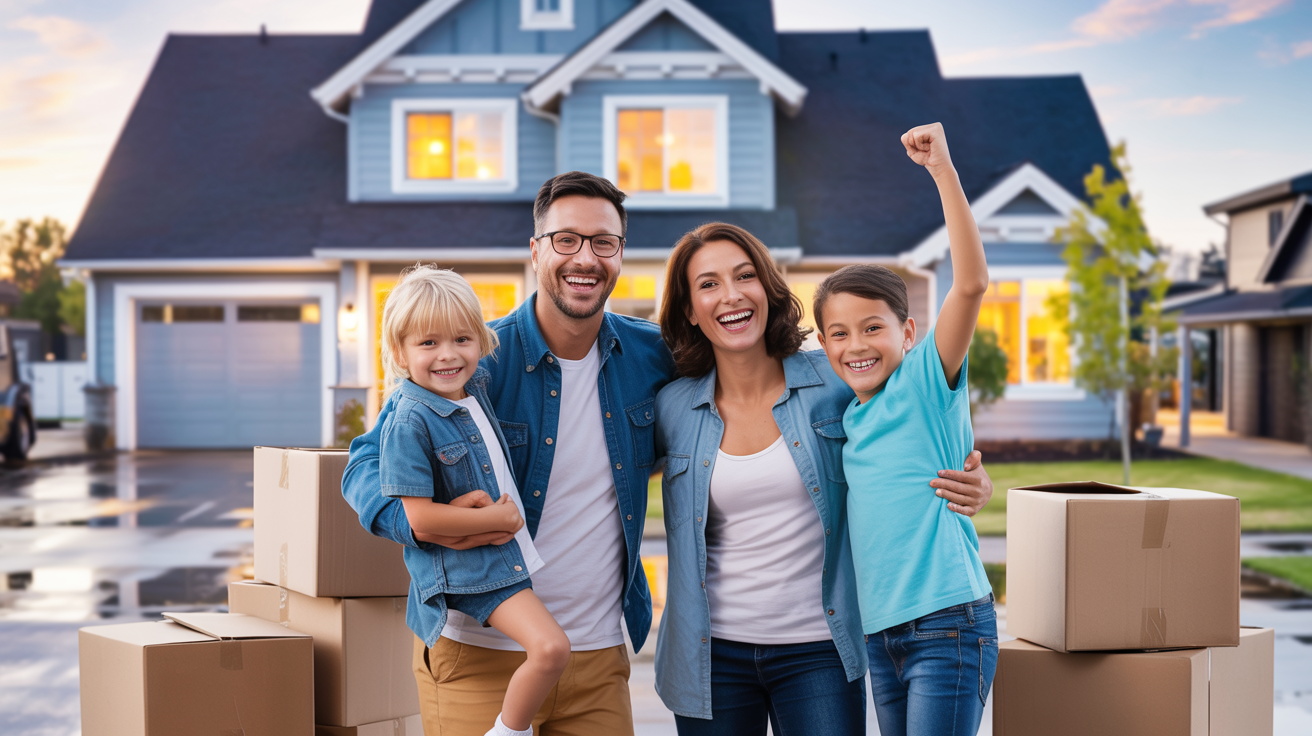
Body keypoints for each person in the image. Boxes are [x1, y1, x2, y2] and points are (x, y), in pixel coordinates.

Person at [343, 171, 677, 736]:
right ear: (536, 251)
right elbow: (363, 467)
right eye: (565, 239)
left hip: (597, 655)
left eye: (604, 242)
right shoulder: (474, 360)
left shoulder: (651, 354)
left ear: (621, 253)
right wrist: (432, 524)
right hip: (479, 653)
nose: (585, 258)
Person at [652, 222, 994, 735]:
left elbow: (913, 414)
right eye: (707, 284)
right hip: (711, 655)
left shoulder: (833, 376)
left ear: (767, 288)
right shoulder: (672, 406)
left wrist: (970, 473)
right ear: (688, 310)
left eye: (745, 275)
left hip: (820, 650)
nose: (730, 295)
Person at [813, 122, 996, 736]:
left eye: (873, 327)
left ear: (908, 332)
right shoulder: (848, 413)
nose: (856, 345)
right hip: (881, 634)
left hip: (947, 623)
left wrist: (942, 169)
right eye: (838, 334)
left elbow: (970, 284)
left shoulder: (923, 382)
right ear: (822, 344)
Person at [370, 265, 566, 736]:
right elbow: (417, 517)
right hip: (475, 570)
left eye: (462, 339)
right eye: (428, 343)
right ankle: (507, 732)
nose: (448, 356)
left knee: (550, 651)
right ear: (399, 352)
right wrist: (493, 518)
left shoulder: (474, 390)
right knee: (551, 650)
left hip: (499, 559)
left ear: (481, 340)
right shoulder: (409, 420)